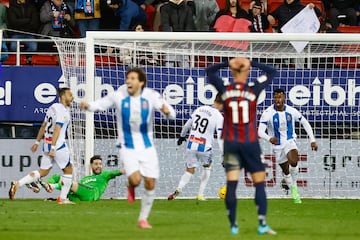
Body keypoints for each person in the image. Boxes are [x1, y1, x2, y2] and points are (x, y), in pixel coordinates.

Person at [80, 67, 176, 229]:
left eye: (132, 78)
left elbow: (170, 112)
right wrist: (88, 105)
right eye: (127, 78)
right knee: (136, 180)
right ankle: (131, 185)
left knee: (151, 182)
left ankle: (143, 219)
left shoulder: (151, 96)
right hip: (127, 146)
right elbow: (100, 105)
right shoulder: (118, 96)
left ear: (141, 82)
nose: (128, 81)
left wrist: (168, 112)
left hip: (147, 146)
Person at [206, 57, 277, 235]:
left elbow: (210, 71)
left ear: (231, 71)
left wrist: (226, 63)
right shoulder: (253, 88)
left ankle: (233, 226)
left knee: (231, 184)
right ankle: (262, 224)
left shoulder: (225, 87)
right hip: (250, 142)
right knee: (259, 182)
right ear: (247, 71)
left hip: (231, 143)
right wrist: (252, 62)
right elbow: (272, 71)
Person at [9, 87, 75, 204]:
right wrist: (54, 148)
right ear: (63, 96)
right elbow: (57, 129)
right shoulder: (62, 111)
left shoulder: (52, 108)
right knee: (68, 170)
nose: (72, 97)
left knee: (43, 172)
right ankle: (63, 198)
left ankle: (18, 183)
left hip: (47, 144)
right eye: (70, 95)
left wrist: (37, 142)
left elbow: (44, 126)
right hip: (57, 146)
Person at [258, 88, 318, 204]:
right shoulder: (267, 113)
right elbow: (260, 131)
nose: (277, 99)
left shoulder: (292, 111)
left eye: (280, 97)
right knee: (286, 171)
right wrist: (269, 138)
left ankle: (294, 189)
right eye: (275, 97)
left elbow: (305, 122)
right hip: (277, 146)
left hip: (290, 141)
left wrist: (313, 140)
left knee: (294, 160)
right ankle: (293, 190)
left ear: (284, 98)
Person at [168, 93, 224, 201]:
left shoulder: (200, 109)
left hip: (191, 144)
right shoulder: (218, 116)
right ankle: (200, 194)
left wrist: (181, 137)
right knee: (207, 167)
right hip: (204, 146)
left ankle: (179, 188)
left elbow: (187, 125)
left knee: (189, 170)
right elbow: (220, 137)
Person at [28, 155, 125, 201]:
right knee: (58, 177)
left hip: (90, 194)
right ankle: (39, 187)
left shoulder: (105, 175)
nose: (98, 166)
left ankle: (51, 186)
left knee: (70, 183)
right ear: (91, 165)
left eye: (100, 164)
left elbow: (119, 172)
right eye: (96, 164)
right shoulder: (85, 179)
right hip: (78, 197)